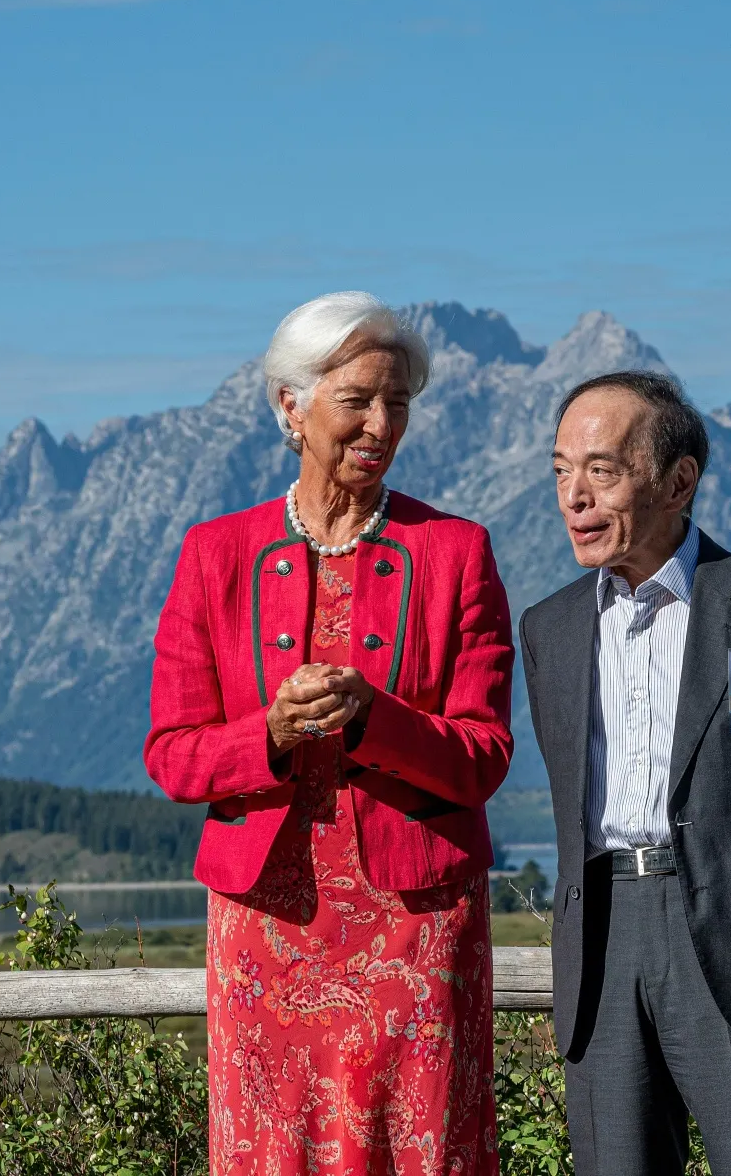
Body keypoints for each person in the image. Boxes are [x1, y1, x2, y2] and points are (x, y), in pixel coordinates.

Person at [144, 291, 513, 1175]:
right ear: (291, 405)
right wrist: (268, 733)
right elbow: (172, 756)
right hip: (266, 927)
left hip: (417, 928)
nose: (382, 424)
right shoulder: (214, 554)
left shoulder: (457, 551)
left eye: (398, 402)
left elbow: (485, 755)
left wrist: (376, 718)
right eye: (357, 400)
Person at [521, 370, 731, 1176]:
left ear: (678, 481)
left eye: (601, 470)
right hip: (602, 940)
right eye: (561, 471)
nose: (574, 497)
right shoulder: (549, 628)